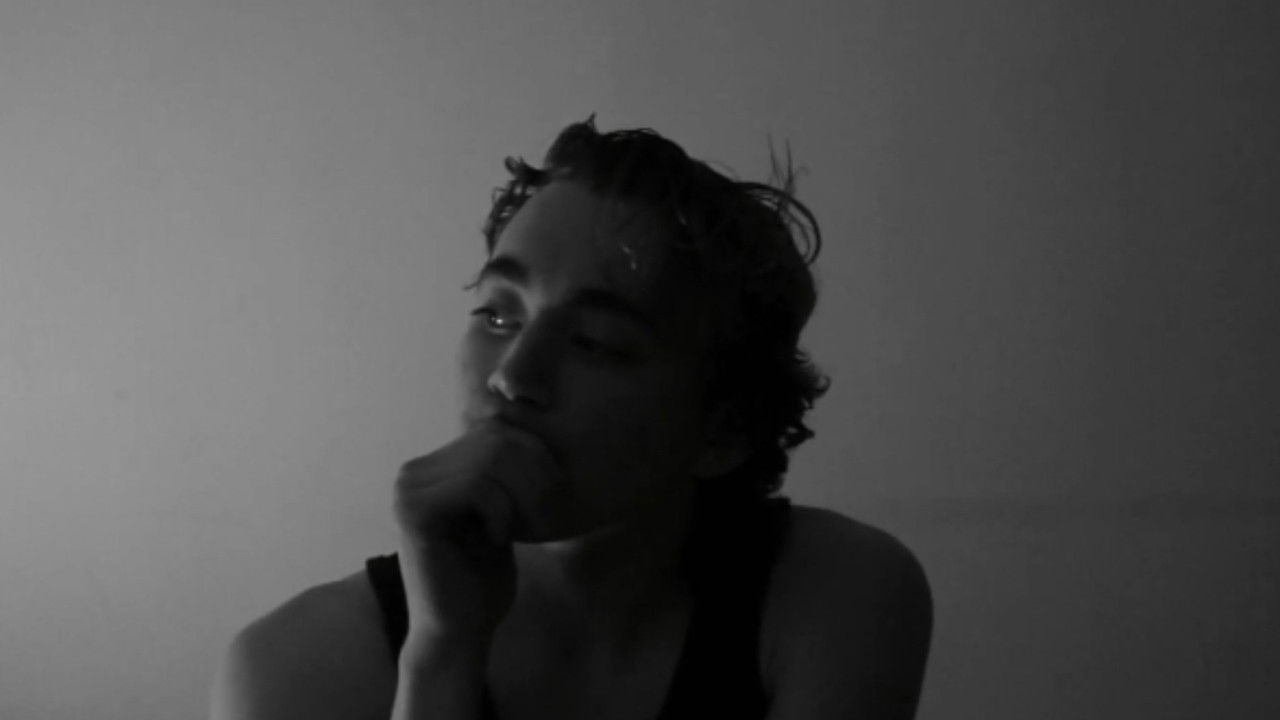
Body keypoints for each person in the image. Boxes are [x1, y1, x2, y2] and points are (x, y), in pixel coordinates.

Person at [211, 117, 933, 720]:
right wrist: (441, 656)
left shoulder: (832, 595)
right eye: (497, 315)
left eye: (596, 343)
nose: (513, 375)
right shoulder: (292, 667)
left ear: (723, 430)